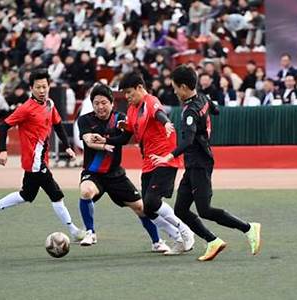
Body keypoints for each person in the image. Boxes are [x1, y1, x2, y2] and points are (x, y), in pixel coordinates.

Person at [151, 65, 261, 261]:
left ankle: (249, 228)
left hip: (200, 163)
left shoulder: (190, 111)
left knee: (205, 210)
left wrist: (167, 157)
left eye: (175, 87)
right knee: (181, 210)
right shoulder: (203, 98)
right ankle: (213, 241)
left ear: (184, 87)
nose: (174, 91)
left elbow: (188, 140)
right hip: (193, 163)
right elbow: (216, 110)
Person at [0, 69, 85, 242]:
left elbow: (58, 125)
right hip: (35, 163)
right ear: (31, 88)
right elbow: (4, 125)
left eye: (44, 86)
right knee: (56, 195)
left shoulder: (49, 104)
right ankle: (74, 231)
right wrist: (2, 151)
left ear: (49, 86)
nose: (42, 90)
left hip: (39, 161)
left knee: (26, 195)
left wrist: (67, 146)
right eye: (38, 87)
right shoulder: (26, 108)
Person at [96, 72, 195, 255]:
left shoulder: (150, 101)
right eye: (125, 93)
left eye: (129, 92)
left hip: (165, 159)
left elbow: (158, 114)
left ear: (140, 88)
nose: (127, 97)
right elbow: (125, 137)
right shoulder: (132, 109)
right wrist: (105, 141)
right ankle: (178, 239)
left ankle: (185, 230)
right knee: (147, 209)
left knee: (152, 201)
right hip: (149, 162)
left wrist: (165, 124)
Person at [76, 83, 170, 252]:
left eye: (104, 102)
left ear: (112, 103)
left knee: (141, 208)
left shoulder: (120, 118)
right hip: (93, 173)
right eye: (96, 103)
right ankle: (90, 232)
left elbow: (126, 137)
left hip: (116, 175)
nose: (100, 107)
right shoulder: (85, 120)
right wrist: (103, 146)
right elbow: (89, 140)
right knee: (85, 191)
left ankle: (157, 242)